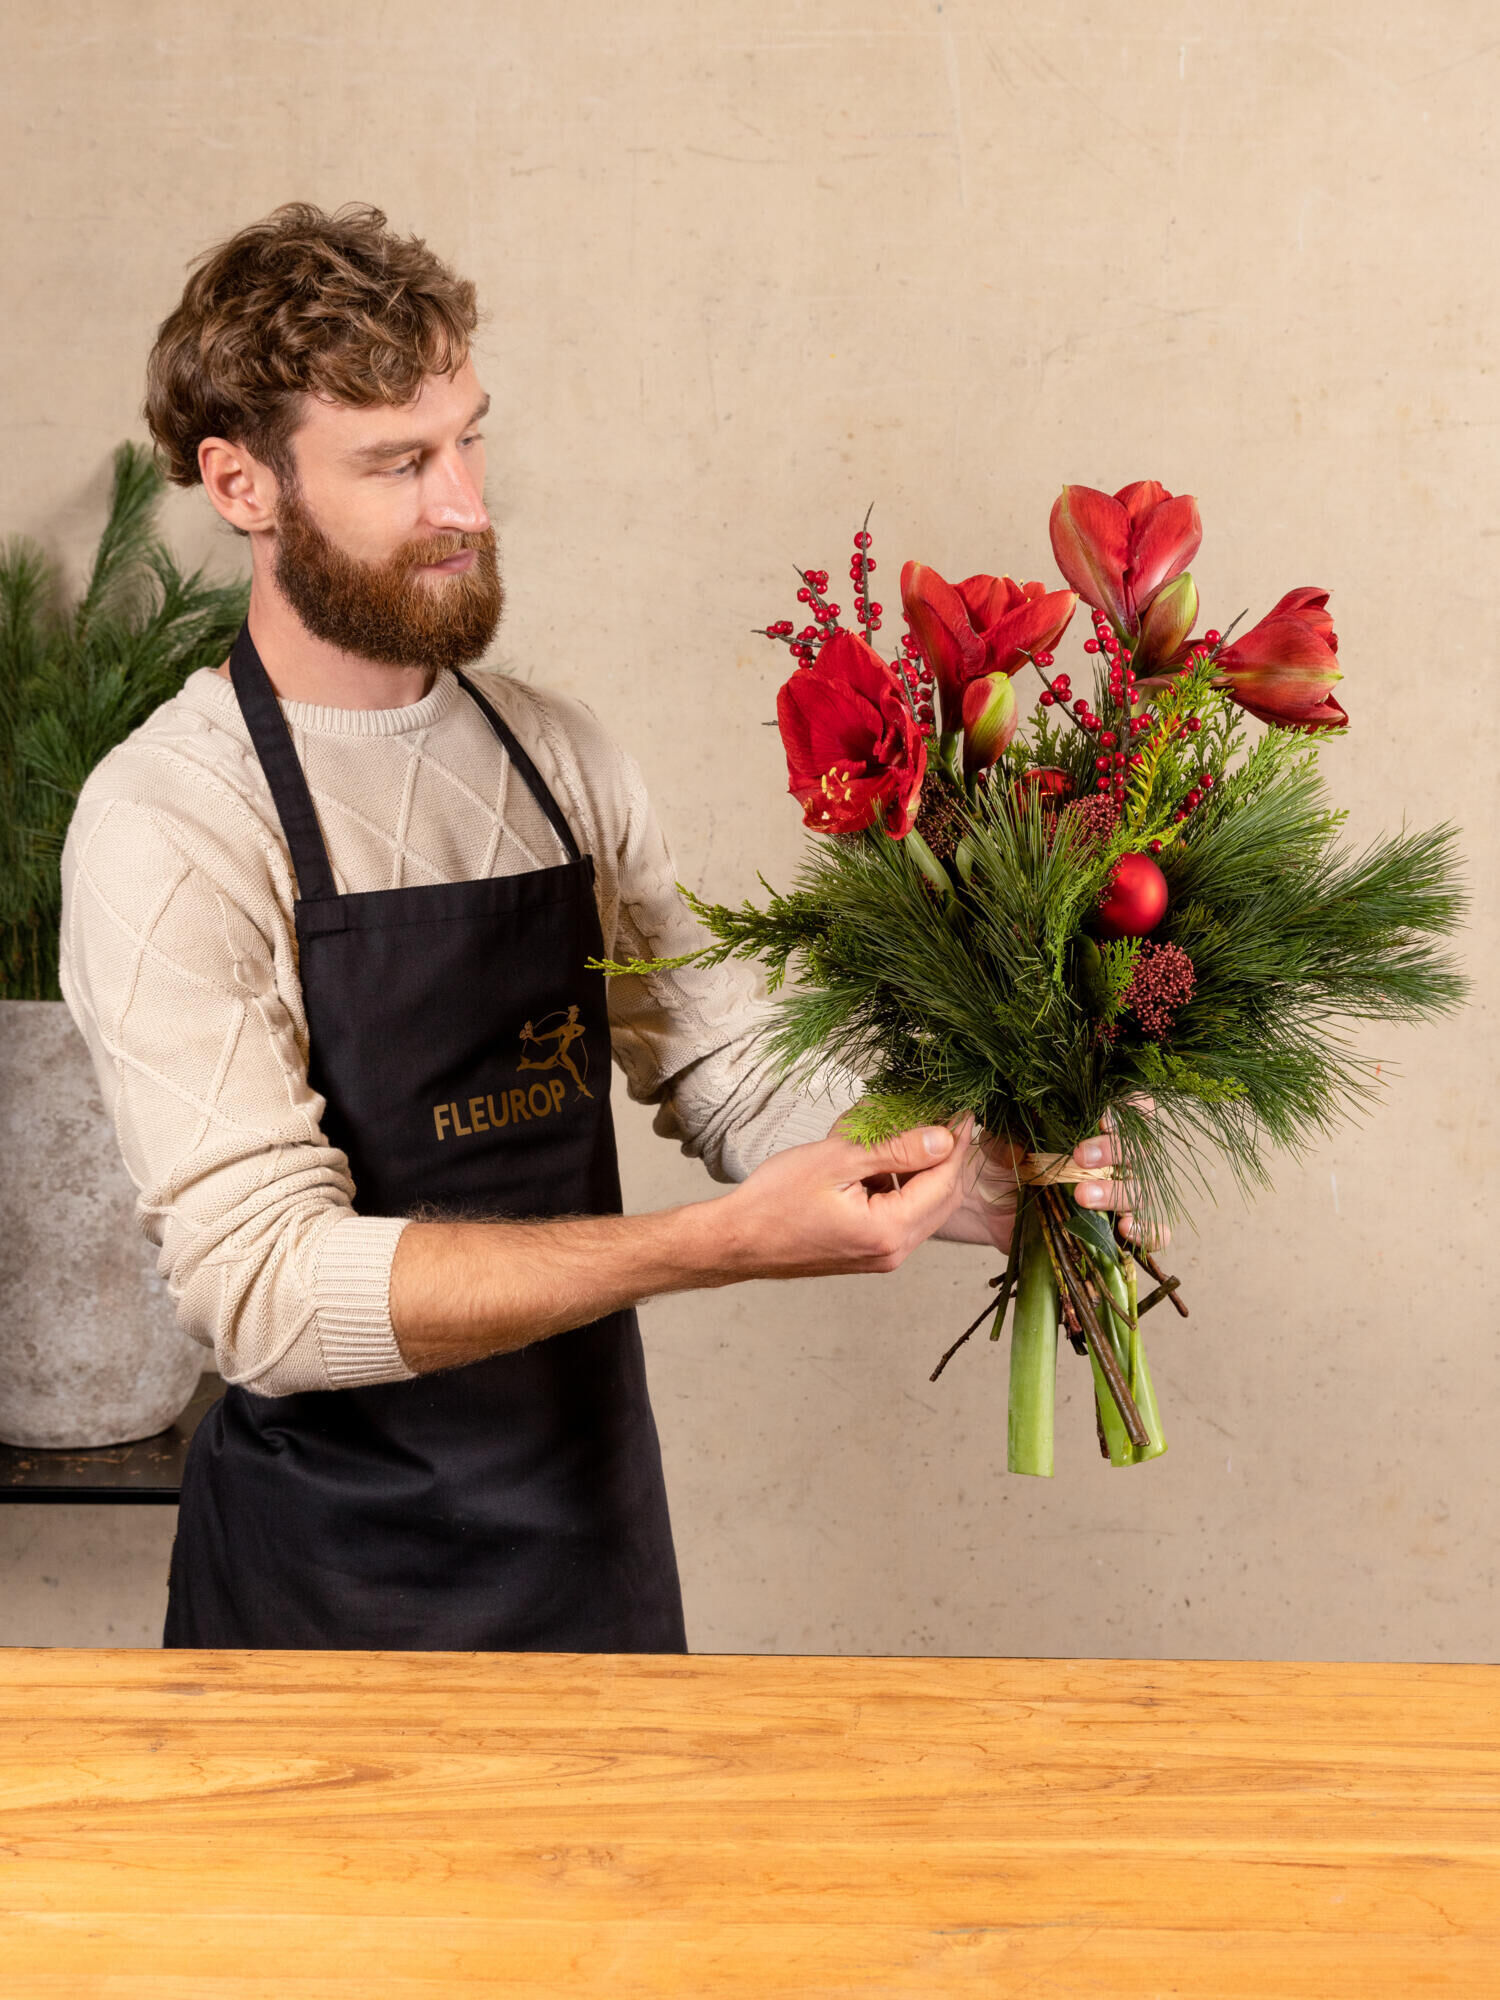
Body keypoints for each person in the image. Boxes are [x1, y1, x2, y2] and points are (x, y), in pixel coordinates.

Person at [60, 204, 1136, 1652]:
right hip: (325, 1604)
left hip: (592, 1555)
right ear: (242, 483)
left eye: (468, 439)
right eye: (398, 463)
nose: (466, 505)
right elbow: (264, 1292)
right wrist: (711, 1247)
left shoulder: (556, 758)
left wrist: (971, 1174)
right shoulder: (173, 819)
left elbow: (723, 1063)